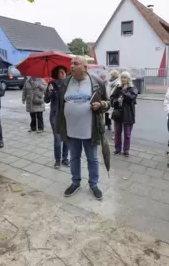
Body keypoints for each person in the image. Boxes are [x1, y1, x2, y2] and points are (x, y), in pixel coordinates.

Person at [57, 56, 110, 200]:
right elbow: (60, 105)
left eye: (75, 64)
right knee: (74, 157)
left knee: (92, 158)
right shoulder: (65, 82)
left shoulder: (97, 82)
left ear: (85, 67)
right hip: (70, 129)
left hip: (90, 130)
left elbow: (108, 103)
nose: (71, 66)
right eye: (71, 63)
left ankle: (93, 184)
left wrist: (101, 105)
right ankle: (75, 182)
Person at [45, 66, 69, 169]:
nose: (62, 74)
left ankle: (65, 159)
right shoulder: (52, 84)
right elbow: (46, 100)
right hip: (55, 116)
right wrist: (49, 92)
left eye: (64, 72)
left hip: (66, 115)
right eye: (60, 72)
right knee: (57, 139)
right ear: (57, 74)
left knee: (67, 139)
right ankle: (57, 160)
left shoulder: (69, 84)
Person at [110, 71, 138, 157]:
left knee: (127, 134)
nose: (123, 79)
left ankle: (126, 150)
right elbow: (111, 99)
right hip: (118, 113)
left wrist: (123, 92)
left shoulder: (133, 88)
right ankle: (117, 149)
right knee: (117, 133)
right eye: (122, 77)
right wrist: (116, 101)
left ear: (128, 79)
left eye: (125, 77)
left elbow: (131, 98)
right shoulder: (117, 88)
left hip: (128, 114)